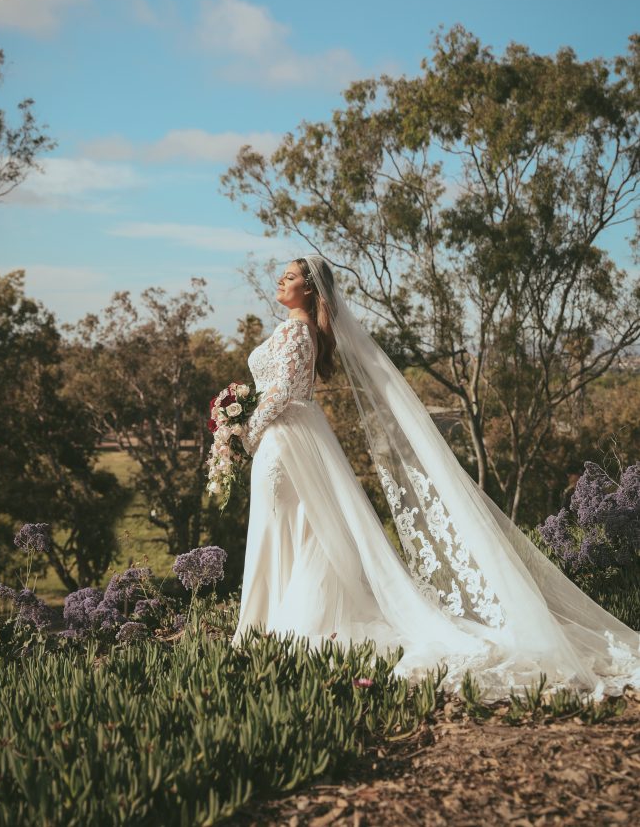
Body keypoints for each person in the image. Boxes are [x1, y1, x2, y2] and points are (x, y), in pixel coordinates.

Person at [232, 254, 640, 699]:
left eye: (289, 277)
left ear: (309, 289)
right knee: (299, 526)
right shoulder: (299, 329)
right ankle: (276, 622)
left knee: (288, 526)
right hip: (293, 437)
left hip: (285, 439)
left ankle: (275, 624)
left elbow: (281, 392)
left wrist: (245, 433)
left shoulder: (296, 329)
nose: (280, 280)